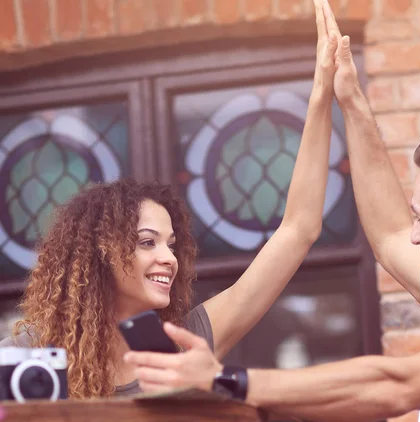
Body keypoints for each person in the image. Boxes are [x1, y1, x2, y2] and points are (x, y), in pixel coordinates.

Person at [124, 0, 420, 421]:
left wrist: (227, 380)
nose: (415, 237)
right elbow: (390, 232)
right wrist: (349, 100)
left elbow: (395, 385)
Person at [0, 3, 337, 397]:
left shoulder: (185, 342)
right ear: (102, 252)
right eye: (148, 242)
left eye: (171, 244)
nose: (169, 258)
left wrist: (321, 95)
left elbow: (298, 229)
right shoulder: (31, 357)